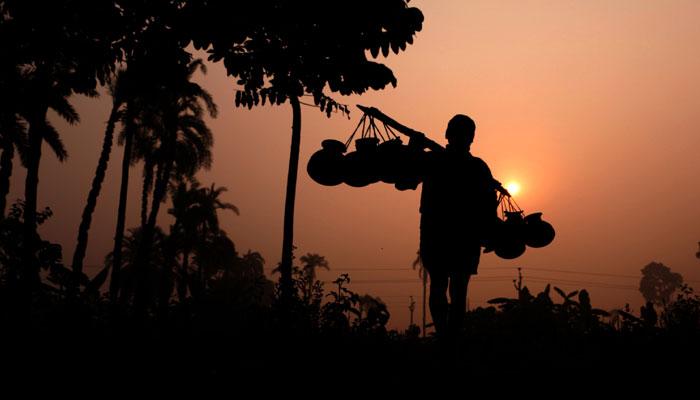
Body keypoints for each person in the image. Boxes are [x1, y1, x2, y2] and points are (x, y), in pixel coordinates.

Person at [408, 114, 498, 339]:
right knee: (453, 288)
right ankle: (449, 337)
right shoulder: (474, 167)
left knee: (444, 286)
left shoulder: (437, 161)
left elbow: (405, 181)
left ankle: (447, 336)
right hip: (451, 235)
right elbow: (406, 180)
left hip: (446, 235)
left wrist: (415, 152)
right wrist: (414, 151)